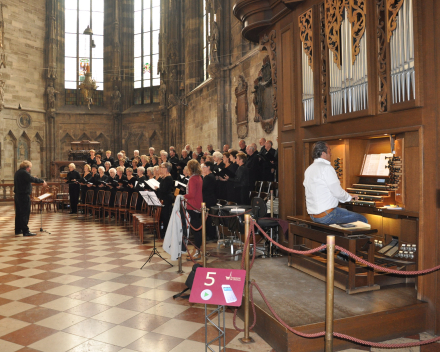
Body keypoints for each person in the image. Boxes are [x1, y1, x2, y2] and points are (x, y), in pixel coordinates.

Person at [304, 141, 367, 225]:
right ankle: (345, 238)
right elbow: (337, 192)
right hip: (327, 216)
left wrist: (347, 196)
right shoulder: (326, 168)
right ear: (323, 153)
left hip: (314, 215)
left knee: (344, 211)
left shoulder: (309, 169)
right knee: (362, 220)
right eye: (329, 151)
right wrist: (348, 197)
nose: (331, 154)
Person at [14, 161, 47, 236]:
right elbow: (32, 179)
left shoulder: (18, 172)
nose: (30, 169)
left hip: (18, 195)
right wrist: (42, 181)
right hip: (24, 196)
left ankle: (18, 230)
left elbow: (28, 179)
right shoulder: (24, 173)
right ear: (27, 167)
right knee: (25, 213)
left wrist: (32, 178)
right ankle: (26, 231)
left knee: (19, 213)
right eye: (30, 167)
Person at [184, 160, 203, 260]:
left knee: (195, 230)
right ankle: (196, 250)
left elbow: (191, 194)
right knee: (196, 229)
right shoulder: (199, 177)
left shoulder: (192, 179)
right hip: (198, 205)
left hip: (193, 205)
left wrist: (183, 196)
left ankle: (197, 251)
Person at [154, 163, 175, 236]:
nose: (160, 169)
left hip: (166, 199)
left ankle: (166, 232)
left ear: (166, 169)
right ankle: (161, 231)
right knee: (162, 215)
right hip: (163, 198)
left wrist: (158, 189)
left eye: (162, 167)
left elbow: (164, 190)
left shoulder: (168, 178)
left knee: (166, 216)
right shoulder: (164, 177)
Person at [202, 161, 217, 240]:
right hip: (209, 198)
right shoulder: (210, 176)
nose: (202, 168)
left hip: (208, 199)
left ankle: (210, 235)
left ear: (208, 167)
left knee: (208, 218)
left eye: (204, 167)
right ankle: (209, 234)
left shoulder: (208, 177)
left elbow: (202, 188)